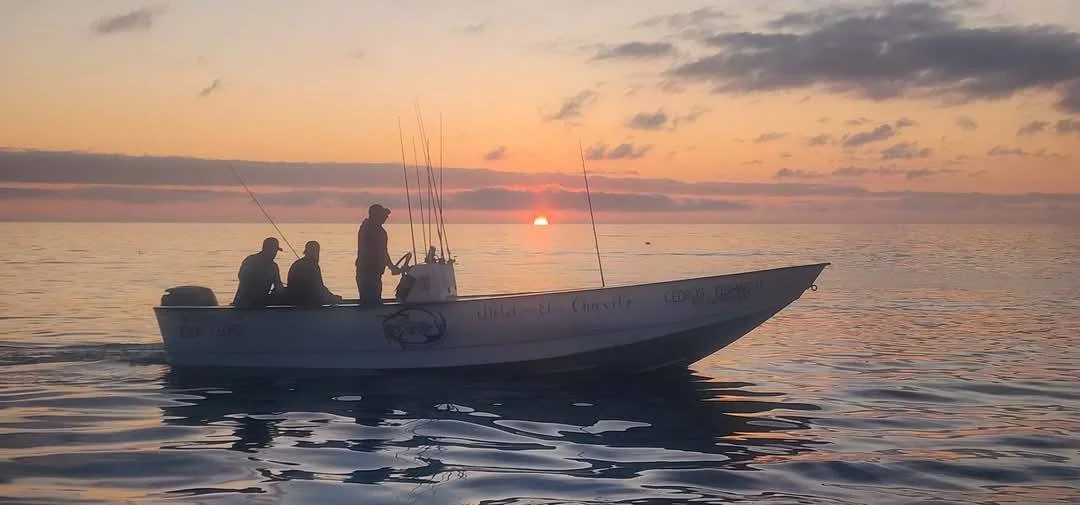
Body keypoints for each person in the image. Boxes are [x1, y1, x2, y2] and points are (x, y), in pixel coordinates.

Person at [355, 203, 401, 306]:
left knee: (366, 300)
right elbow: (382, 252)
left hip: (364, 271)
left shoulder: (365, 227)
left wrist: (391, 266)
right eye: (383, 215)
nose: (386, 218)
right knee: (372, 301)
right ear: (376, 216)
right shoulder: (377, 231)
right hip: (371, 273)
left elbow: (382, 252)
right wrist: (392, 267)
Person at [283, 241, 342, 306]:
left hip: (296, 298)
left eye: (317, 251)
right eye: (314, 251)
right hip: (305, 300)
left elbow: (319, 286)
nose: (316, 254)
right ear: (308, 252)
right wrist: (332, 297)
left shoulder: (298, 263)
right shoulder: (312, 266)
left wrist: (330, 296)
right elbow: (319, 287)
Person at [232, 237, 285, 308]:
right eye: (273, 250)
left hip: (258, 303)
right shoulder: (250, 260)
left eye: (276, 251)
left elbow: (278, 287)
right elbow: (243, 279)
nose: (275, 253)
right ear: (265, 249)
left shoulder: (273, 266)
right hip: (244, 303)